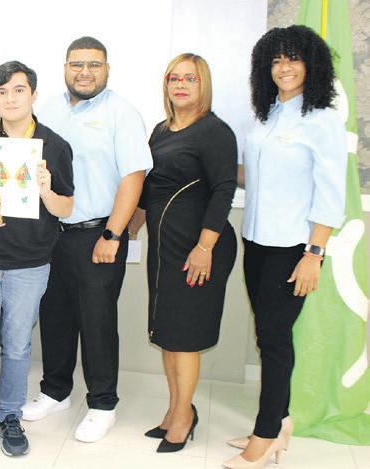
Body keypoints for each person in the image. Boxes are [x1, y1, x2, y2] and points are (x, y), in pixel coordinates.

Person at [223, 25, 346, 469]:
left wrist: (314, 254)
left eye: (293, 58)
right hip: (256, 242)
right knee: (268, 335)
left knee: (274, 341)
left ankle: (266, 435)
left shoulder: (323, 120)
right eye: (276, 60)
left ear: (311, 64)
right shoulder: (267, 114)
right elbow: (255, 175)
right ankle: (282, 419)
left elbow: (330, 193)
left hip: (294, 248)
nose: (284, 67)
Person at [23, 36, 152, 443]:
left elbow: (133, 178)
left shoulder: (122, 113)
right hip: (52, 234)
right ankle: (55, 391)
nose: (84, 72)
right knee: (55, 316)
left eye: (94, 64)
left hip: (99, 233)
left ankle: (102, 404)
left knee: (97, 322)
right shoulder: (49, 110)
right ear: (64, 68)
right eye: (76, 64)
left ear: (107, 69)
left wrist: (113, 234)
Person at [0, 61, 75, 464]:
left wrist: (46, 190)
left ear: (33, 95)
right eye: (1, 92)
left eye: (19, 90)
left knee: (18, 345)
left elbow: (66, 207)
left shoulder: (54, 146)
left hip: (30, 264)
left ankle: (10, 417)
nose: (9, 99)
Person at [129, 53, 238, 452]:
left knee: (185, 337)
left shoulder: (215, 131)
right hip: (165, 249)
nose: (180, 85)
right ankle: (177, 409)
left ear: (203, 84)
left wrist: (205, 246)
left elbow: (224, 189)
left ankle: (182, 418)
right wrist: (128, 228)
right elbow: (150, 187)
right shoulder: (161, 130)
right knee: (167, 334)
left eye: (190, 79)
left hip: (199, 249)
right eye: (174, 78)